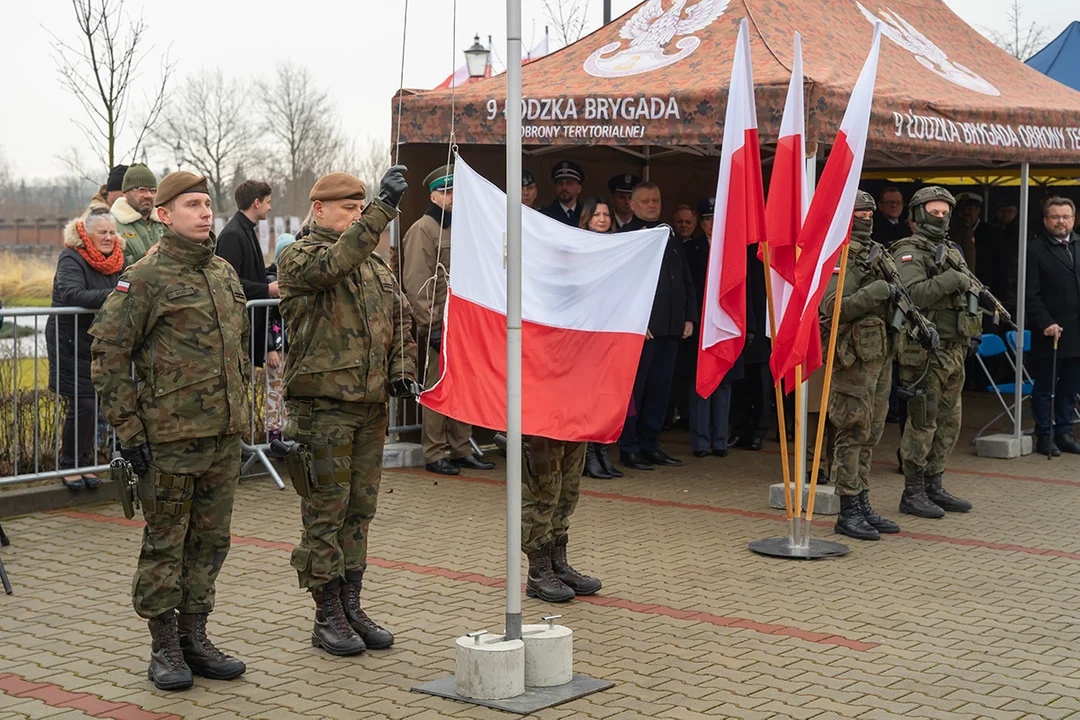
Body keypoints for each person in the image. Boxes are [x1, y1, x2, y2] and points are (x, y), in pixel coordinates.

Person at [90, 171, 249, 691]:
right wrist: (130, 430)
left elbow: (237, 353)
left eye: (208, 204)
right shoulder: (146, 276)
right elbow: (109, 354)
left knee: (211, 541)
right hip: (170, 439)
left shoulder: (224, 272)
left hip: (223, 436)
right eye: (192, 205)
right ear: (164, 215)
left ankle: (194, 637)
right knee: (166, 543)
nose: (206, 213)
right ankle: (163, 648)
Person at [277, 166, 419, 657]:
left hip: (369, 406)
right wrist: (383, 210)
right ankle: (326, 613)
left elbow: (400, 318)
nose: (359, 217)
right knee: (325, 512)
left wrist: (401, 368)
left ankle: (350, 602)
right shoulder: (299, 257)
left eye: (362, 208)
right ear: (319, 210)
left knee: (359, 512)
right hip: (324, 408)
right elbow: (332, 265)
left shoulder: (374, 265)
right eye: (349, 209)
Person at [401, 165, 494, 476]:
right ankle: (435, 451)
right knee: (437, 387)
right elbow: (416, 283)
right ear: (433, 195)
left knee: (462, 386)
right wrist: (431, 327)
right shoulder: (423, 230)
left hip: (463, 323)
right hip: (438, 325)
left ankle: (461, 447)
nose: (453, 197)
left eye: (456, 191)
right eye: (447, 191)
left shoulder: (461, 228)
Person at [821, 191, 903, 540]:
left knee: (871, 432)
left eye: (870, 213)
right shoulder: (840, 256)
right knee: (852, 430)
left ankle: (863, 501)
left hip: (879, 356)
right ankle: (848, 508)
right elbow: (832, 305)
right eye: (860, 213)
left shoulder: (878, 253)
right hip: (852, 358)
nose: (867, 218)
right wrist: (879, 291)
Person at [891, 186, 975, 519]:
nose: (939, 218)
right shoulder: (908, 251)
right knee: (922, 422)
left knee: (950, 422)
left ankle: (933, 484)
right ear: (917, 215)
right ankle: (912, 491)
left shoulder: (950, 250)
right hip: (924, 350)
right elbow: (912, 295)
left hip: (953, 347)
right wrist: (952, 279)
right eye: (933, 212)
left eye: (944, 213)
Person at [617, 183, 696, 470]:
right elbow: (625, 286)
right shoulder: (627, 237)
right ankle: (629, 447)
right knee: (636, 391)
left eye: (656, 200)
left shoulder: (669, 234)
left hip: (672, 326)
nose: (652, 205)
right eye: (646, 201)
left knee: (660, 390)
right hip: (645, 330)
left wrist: (689, 316)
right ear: (632, 205)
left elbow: (684, 278)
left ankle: (650, 443)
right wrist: (637, 320)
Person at [46, 210, 124, 490]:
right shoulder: (72, 257)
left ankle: (85, 464)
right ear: (85, 234)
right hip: (70, 341)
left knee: (95, 406)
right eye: (102, 232)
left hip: (97, 342)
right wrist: (115, 295)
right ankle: (70, 466)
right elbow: (71, 293)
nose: (108, 237)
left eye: (112, 232)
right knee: (83, 405)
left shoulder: (117, 259)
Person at [685, 198, 742, 458]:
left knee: (723, 386)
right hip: (700, 327)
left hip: (727, 324)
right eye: (707, 219)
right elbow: (688, 289)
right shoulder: (691, 248)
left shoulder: (733, 249)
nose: (711, 224)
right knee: (701, 384)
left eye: (715, 219)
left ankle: (720, 441)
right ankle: (700, 442)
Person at [1025, 197, 1080, 456]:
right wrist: (1045, 322)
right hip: (1051, 331)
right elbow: (1030, 293)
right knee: (1046, 388)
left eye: (1066, 217)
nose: (1061, 221)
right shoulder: (1035, 250)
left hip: (1078, 332)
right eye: (1055, 217)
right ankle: (1044, 435)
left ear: (1074, 219)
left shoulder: (1079, 245)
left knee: (1070, 387)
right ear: (1046, 221)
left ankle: (1065, 432)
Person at [521, 437, 603, 603]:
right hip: (541, 425)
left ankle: (557, 566)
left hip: (571, 421)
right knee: (543, 495)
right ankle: (538, 573)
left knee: (567, 491)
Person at [576, 197, 622, 480]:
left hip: (612, 330)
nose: (602, 219)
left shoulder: (620, 247)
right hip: (588, 332)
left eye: (606, 215)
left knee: (609, 396)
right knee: (589, 396)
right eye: (597, 215)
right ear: (587, 219)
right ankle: (589, 455)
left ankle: (604, 452)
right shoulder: (580, 246)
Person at [216, 180, 278, 368]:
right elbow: (228, 283)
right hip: (240, 327)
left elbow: (250, 272)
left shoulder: (244, 230)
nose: (270, 207)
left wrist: (274, 270)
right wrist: (266, 289)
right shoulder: (233, 235)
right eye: (268, 202)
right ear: (256, 203)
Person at [265, 234, 295, 444]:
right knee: (275, 390)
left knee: (291, 391)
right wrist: (269, 348)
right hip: (276, 345)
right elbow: (264, 317)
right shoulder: (270, 281)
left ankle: (289, 430)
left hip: (292, 347)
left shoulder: (298, 277)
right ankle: (273, 433)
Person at [112, 164, 164, 264]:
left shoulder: (165, 222)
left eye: (152, 190)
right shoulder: (112, 225)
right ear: (126, 193)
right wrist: (146, 257)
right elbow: (111, 263)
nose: (148, 195)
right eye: (142, 190)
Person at [542, 161, 584, 226]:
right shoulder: (545, 215)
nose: (564, 187)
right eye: (560, 183)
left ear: (579, 189)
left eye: (569, 183)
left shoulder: (586, 214)